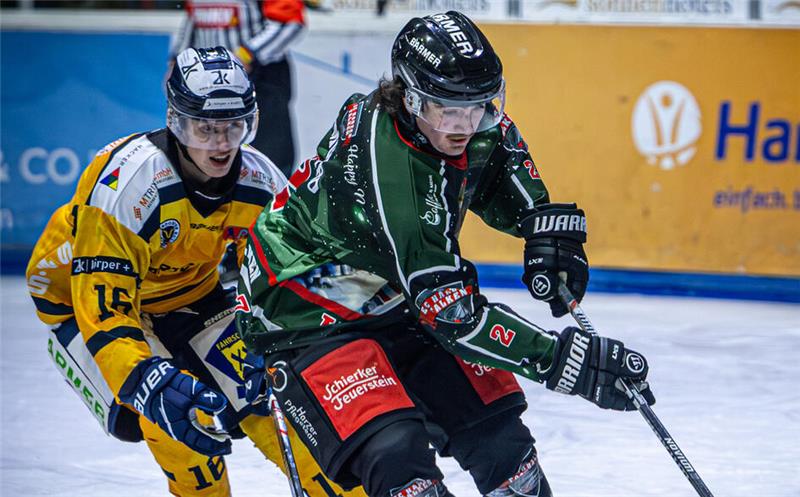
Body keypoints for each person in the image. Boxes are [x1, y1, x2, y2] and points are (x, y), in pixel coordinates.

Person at [235, 11, 657, 497]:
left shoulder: (456, 115)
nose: (464, 125)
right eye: (447, 110)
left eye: (479, 106)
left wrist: (543, 227)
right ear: (407, 98)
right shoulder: (394, 181)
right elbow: (453, 314)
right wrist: (562, 359)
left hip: (392, 288)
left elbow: (500, 158)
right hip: (306, 303)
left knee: (504, 448)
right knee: (398, 459)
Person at [26, 46, 362, 497]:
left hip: (191, 294)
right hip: (78, 304)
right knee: (176, 427)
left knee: (280, 407)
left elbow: (295, 278)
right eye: (204, 128)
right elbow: (104, 311)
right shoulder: (129, 186)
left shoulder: (260, 183)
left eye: (232, 127)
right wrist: (145, 380)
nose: (220, 144)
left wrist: (298, 341)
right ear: (177, 123)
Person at [169, 0, 305, 177]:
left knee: (269, 155)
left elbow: (290, 23)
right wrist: (178, 60)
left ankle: (274, 201)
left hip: (260, 78)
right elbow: (192, 20)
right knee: (204, 152)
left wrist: (246, 55)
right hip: (204, 84)